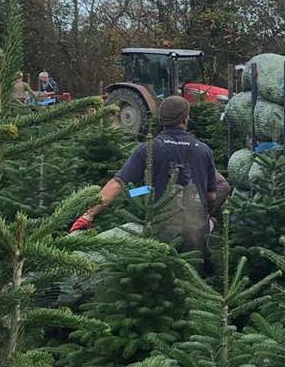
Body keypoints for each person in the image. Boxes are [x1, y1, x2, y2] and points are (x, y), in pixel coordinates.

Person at [69, 95, 230, 254]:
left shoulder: (149, 148)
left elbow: (120, 184)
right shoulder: (203, 150)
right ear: (185, 119)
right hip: (195, 235)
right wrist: (207, 216)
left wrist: (88, 215)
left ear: (161, 120)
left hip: (161, 233)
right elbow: (213, 195)